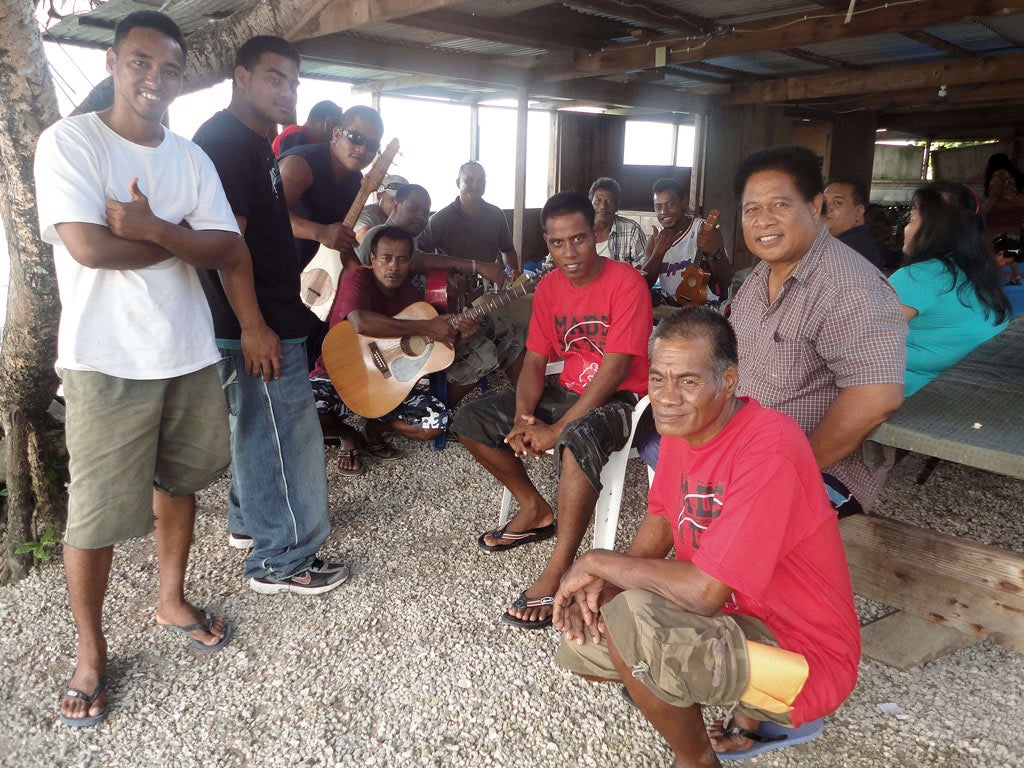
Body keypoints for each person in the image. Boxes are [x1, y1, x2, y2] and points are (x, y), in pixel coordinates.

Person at [34, 10, 271, 726]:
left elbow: (231, 252)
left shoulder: (189, 158)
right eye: (140, 63)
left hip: (188, 352)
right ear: (112, 64)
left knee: (182, 483)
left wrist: (149, 229)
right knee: (96, 515)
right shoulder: (70, 143)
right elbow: (89, 248)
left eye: (169, 69)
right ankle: (91, 649)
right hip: (104, 359)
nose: (154, 80)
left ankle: (170, 598)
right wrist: (184, 241)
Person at [553, 307, 860, 768]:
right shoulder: (685, 428)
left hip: (804, 657)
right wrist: (609, 588)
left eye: (688, 381)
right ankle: (710, 700)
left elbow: (702, 593)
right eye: (658, 379)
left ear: (729, 380)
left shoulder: (769, 446)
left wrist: (597, 562)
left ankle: (698, 758)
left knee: (638, 626)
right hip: (737, 618)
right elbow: (660, 517)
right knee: (591, 637)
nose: (667, 398)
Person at [193, 35, 349, 595]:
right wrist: (255, 325)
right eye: (275, 78)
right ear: (241, 76)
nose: (288, 91)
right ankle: (282, 558)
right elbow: (223, 245)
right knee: (288, 435)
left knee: (258, 429)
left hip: (262, 315)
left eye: (294, 81)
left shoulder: (254, 141)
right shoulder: (229, 143)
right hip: (254, 321)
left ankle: (248, 524)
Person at [452, 191, 652, 629]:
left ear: (596, 233)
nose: (569, 252)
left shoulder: (626, 283)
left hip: (622, 399)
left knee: (576, 438)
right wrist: (526, 417)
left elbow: (616, 367)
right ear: (546, 241)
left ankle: (559, 565)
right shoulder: (548, 287)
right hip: (566, 389)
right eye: (557, 243)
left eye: (578, 239)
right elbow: (536, 360)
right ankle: (534, 510)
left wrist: (558, 427)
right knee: (469, 420)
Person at [729, 145, 906, 515]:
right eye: (751, 209)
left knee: (724, 526)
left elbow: (877, 398)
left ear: (814, 206)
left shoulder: (848, 286)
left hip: (823, 472)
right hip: (750, 450)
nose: (763, 220)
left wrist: (792, 466)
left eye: (779, 205)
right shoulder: (757, 279)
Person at [355, 183, 526, 406]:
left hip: (436, 325)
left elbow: (426, 269)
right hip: (401, 340)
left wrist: (454, 288)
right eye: (414, 209)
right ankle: (439, 409)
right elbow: (421, 261)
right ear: (395, 206)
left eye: (425, 212)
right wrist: (476, 266)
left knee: (510, 331)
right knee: (484, 353)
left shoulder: (412, 240)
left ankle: (523, 408)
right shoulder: (378, 236)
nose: (421, 217)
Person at [310, 226, 461, 476]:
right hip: (335, 375)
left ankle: (375, 424)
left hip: (385, 386)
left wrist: (459, 332)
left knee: (436, 424)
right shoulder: (357, 278)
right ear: (373, 259)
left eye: (402, 259)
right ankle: (349, 434)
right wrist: (426, 326)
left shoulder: (412, 297)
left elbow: (432, 349)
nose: (394, 266)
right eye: (386, 258)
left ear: (410, 263)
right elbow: (360, 322)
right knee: (298, 415)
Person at [890, 184, 1011, 397]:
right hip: (967, 395)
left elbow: (859, 346)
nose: (906, 228)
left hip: (914, 401)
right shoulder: (979, 274)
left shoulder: (916, 277)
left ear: (936, 228)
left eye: (912, 218)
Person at [280, 105, 384, 274]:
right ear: (336, 134)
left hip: (298, 276)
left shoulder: (357, 182)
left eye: (372, 144)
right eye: (355, 137)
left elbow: (340, 240)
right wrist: (320, 232)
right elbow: (268, 217)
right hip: (257, 270)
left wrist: (366, 278)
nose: (363, 149)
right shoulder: (300, 165)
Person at [417, 160, 521, 277]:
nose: (475, 185)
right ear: (458, 183)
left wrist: (514, 270)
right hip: (451, 288)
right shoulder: (440, 219)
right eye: (469, 180)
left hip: (488, 287)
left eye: (480, 181)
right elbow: (419, 255)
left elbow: (507, 249)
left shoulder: (497, 215)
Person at [642, 178, 734, 308]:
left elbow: (726, 282)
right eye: (658, 207)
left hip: (704, 305)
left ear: (684, 202)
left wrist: (714, 253)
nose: (663, 212)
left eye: (670, 204)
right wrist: (658, 253)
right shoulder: (655, 240)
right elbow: (642, 285)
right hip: (670, 307)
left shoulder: (704, 231)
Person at [588, 176, 647, 268]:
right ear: (590, 204)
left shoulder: (631, 230)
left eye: (609, 201)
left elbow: (643, 268)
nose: (603, 206)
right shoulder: (579, 228)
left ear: (616, 207)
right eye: (597, 201)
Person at [822, 178, 883, 267]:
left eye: (837, 202)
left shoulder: (846, 250)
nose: (826, 208)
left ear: (858, 212)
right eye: (824, 202)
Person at [271, 99, 342, 157]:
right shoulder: (296, 133)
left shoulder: (314, 141)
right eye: (338, 129)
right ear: (329, 123)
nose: (338, 135)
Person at [354, 174, 408, 244]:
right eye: (392, 199)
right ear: (379, 197)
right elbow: (362, 235)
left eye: (402, 201)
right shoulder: (367, 214)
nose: (397, 205)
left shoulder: (405, 218)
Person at [982, 152, 1024, 240]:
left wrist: (982, 213)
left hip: (1004, 215)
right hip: (1018, 215)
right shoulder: (1015, 175)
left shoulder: (999, 174)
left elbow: (995, 194)